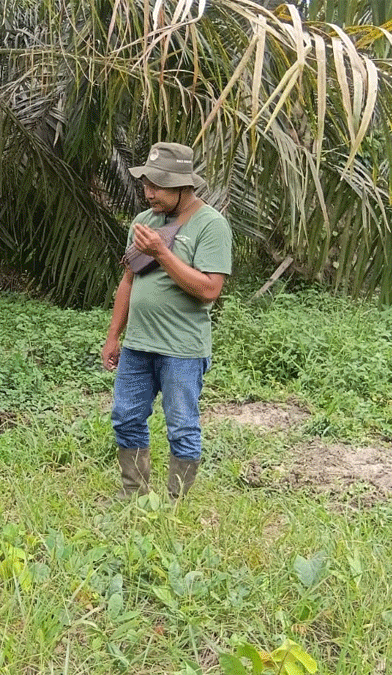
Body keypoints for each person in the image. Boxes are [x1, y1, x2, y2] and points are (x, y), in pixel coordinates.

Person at [100, 142, 232, 500]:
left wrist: (161, 252)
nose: (149, 193)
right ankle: (135, 496)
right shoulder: (144, 222)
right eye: (146, 184)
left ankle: (177, 503)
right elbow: (128, 281)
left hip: (182, 349)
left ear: (182, 185)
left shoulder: (211, 225)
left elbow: (209, 289)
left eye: (157, 186)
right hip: (137, 345)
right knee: (126, 417)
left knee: (182, 426)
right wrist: (113, 336)